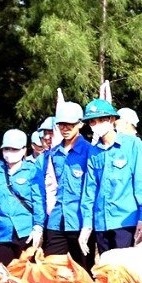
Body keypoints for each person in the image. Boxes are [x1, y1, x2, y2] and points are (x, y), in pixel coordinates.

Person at [79, 99, 142, 254]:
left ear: (112, 119)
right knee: (106, 271)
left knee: (125, 272)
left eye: (101, 120)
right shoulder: (94, 152)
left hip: (126, 221)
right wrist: (87, 224)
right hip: (101, 223)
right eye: (92, 122)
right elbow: (90, 190)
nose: (97, 124)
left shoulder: (133, 145)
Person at [40, 101, 93, 268]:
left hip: (79, 220)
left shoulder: (90, 152)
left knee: (82, 271)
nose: (65, 128)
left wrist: (88, 223)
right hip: (56, 220)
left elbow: (92, 190)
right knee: (52, 270)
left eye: (70, 124)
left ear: (80, 124)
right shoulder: (54, 154)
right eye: (62, 124)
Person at [0, 130, 42, 270]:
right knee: (5, 274)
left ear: (24, 150)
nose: (9, 153)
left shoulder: (32, 171)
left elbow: (38, 201)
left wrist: (38, 227)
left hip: (25, 232)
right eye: (6, 149)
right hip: (2, 232)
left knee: (27, 274)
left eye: (14, 149)